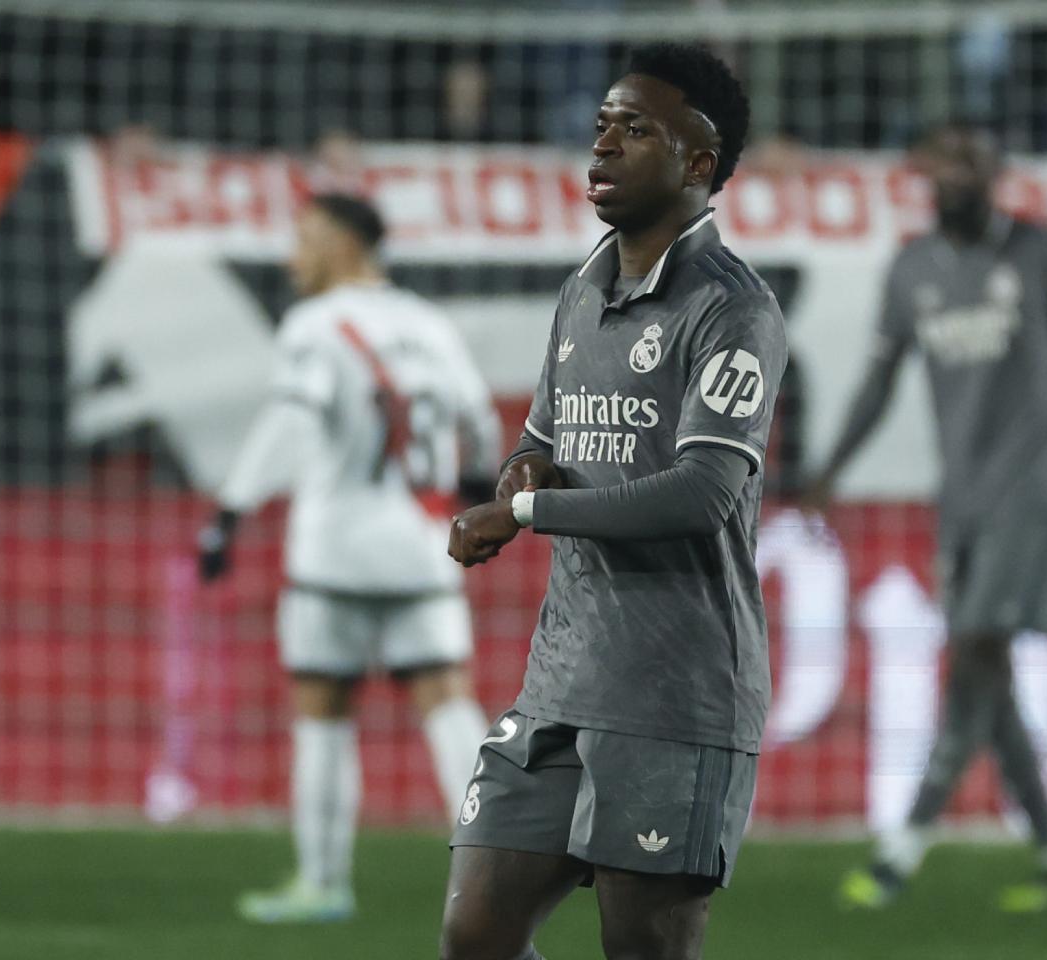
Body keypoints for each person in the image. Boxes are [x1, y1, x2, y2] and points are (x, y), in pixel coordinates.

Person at [440, 42, 783, 960]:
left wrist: (522, 516)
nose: (603, 147)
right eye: (600, 127)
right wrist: (523, 473)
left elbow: (705, 492)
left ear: (699, 163)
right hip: (559, 684)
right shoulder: (582, 292)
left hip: (677, 696)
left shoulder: (732, 309)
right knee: (475, 935)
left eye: (636, 130)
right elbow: (543, 442)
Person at [803, 124, 1047, 913]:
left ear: (994, 178)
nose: (953, 183)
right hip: (964, 501)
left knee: (975, 656)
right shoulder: (911, 269)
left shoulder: (1039, 254)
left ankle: (900, 853)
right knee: (988, 678)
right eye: (942, 171)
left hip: (1037, 491)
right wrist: (833, 465)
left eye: (968, 169)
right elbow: (879, 379)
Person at [197, 193, 499, 924]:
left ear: (341, 245)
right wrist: (479, 490)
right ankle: (503, 877)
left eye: (303, 240)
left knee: (323, 707)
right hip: (426, 548)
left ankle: (323, 884)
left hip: (334, 551)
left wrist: (231, 511)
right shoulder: (430, 325)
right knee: (448, 700)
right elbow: (481, 425)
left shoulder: (316, 325)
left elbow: (292, 420)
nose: (290, 257)